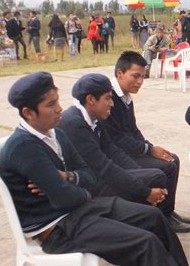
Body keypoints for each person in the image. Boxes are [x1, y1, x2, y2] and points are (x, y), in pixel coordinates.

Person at [0, 72, 190, 266]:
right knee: (144, 243)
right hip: (58, 228)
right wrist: (76, 187)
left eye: (58, 100)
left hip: (79, 210)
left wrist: (68, 178)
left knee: (153, 217)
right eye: (51, 104)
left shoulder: (55, 133)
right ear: (28, 113)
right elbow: (66, 199)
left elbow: (87, 174)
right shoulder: (24, 148)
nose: (60, 108)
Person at [57, 74, 178, 216]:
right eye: (107, 98)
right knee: (154, 178)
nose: (112, 104)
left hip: (99, 177)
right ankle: (152, 220)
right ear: (90, 100)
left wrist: (139, 173)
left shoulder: (94, 117)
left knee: (153, 176)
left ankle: (157, 218)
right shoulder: (74, 124)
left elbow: (113, 151)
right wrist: (145, 191)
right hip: (88, 186)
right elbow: (104, 168)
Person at [103, 51, 190, 233]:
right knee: (166, 167)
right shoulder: (110, 98)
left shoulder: (125, 96)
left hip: (130, 149)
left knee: (172, 159)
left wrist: (150, 147)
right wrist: (148, 149)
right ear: (119, 73)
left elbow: (133, 129)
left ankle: (168, 211)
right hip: (117, 156)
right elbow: (117, 139)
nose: (139, 82)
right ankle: (162, 216)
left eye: (142, 77)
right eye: (135, 76)